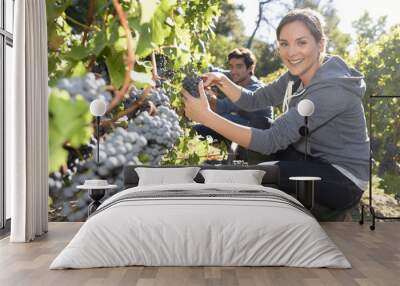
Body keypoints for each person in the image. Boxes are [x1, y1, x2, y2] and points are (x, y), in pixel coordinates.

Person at [182, 8, 369, 213]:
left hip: (343, 178)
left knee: (259, 174)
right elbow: (255, 99)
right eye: (284, 44)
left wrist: (207, 118)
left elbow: (271, 141)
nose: (291, 52)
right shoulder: (295, 76)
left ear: (321, 44)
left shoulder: (332, 89)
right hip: (309, 156)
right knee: (260, 129)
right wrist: (223, 81)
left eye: (302, 42)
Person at [193, 48, 273, 141]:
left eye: (239, 66)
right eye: (231, 66)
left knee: (218, 121)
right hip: (242, 124)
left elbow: (220, 108)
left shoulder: (255, 89)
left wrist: (203, 92)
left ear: (250, 68)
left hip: (257, 135)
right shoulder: (237, 76)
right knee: (223, 120)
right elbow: (214, 71)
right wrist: (194, 60)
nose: (233, 71)